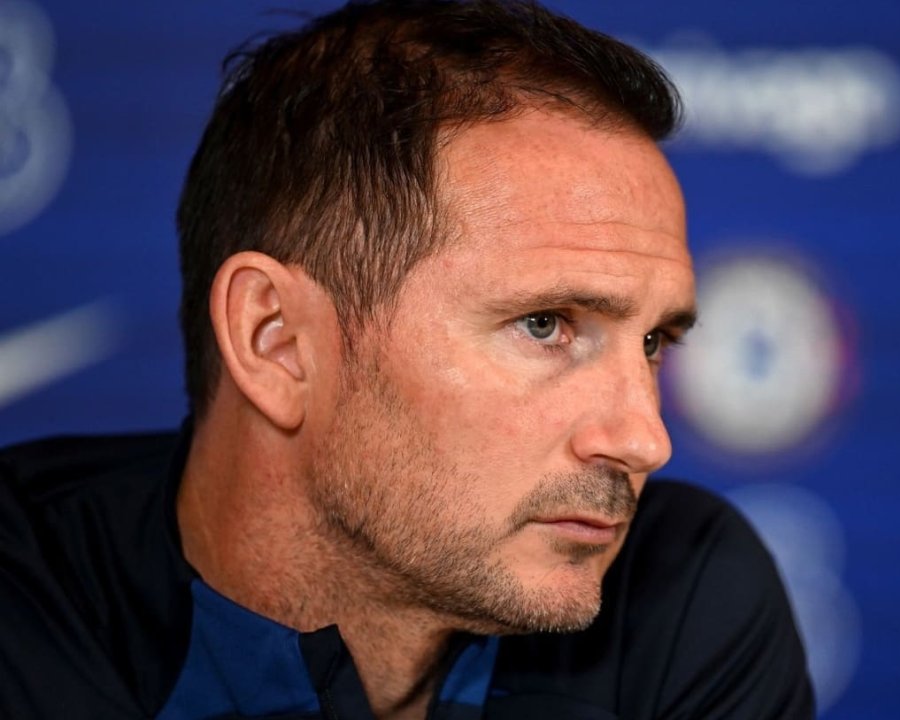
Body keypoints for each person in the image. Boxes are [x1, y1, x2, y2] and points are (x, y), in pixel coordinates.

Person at [0, 1, 813, 718]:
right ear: (275, 340)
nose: (644, 440)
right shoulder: (24, 618)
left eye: (653, 342)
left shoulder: (682, 592)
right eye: (544, 325)